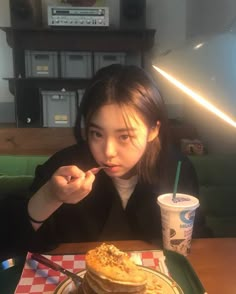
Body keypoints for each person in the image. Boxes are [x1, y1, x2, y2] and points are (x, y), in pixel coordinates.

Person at [15, 64, 210, 252]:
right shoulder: (65, 167)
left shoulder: (175, 168)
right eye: (97, 134)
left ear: (153, 130)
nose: (108, 152)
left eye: (124, 136)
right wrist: (51, 196)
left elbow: (198, 238)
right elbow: (14, 243)